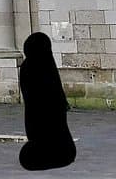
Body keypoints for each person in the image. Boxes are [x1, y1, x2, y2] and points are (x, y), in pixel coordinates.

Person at [18, 31, 77, 171]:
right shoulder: (43, 65)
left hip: (38, 116)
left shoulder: (29, 66)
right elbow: (53, 90)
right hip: (44, 114)